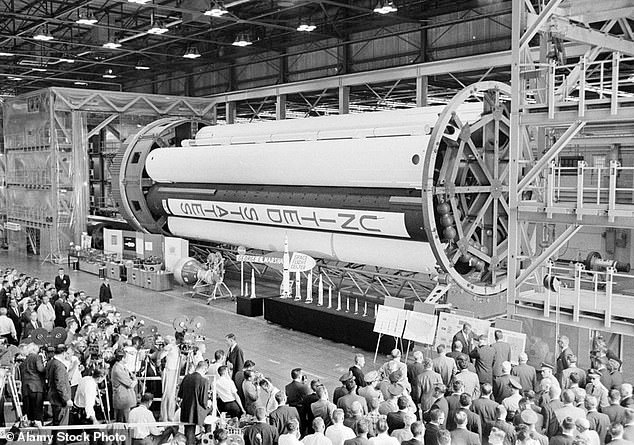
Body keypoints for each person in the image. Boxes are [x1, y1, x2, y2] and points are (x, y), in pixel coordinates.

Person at [46, 344, 73, 444]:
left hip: (54, 398)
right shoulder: (59, 366)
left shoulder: (51, 362)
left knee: (57, 425)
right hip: (60, 401)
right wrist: (67, 399)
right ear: (64, 353)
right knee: (61, 427)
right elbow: (60, 384)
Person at [178, 360, 210, 445]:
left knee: (189, 432)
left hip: (186, 411)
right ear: (204, 369)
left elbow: (180, 394)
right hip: (197, 411)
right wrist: (208, 405)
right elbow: (203, 401)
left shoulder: (186, 377)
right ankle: (207, 437)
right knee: (210, 418)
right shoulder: (204, 381)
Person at [20, 342, 46, 424]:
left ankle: (30, 432)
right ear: (35, 349)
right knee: (38, 411)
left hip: (26, 388)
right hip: (36, 387)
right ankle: (40, 433)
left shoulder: (24, 360)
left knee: (29, 412)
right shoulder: (36, 357)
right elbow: (40, 369)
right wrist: (47, 367)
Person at [111, 349, 137, 422]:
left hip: (125, 399)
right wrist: (135, 380)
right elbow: (130, 384)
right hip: (122, 400)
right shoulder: (118, 369)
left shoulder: (122, 367)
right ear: (122, 358)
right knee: (123, 422)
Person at [160, 335, 179, 421]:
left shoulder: (175, 347)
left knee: (171, 395)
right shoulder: (170, 347)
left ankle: (169, 415)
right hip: (170, 371)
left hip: (174, 371)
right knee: (168, 395)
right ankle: (166, 416)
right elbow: (161, 356)